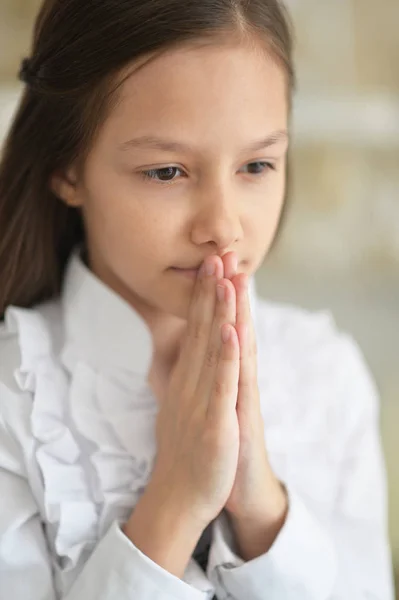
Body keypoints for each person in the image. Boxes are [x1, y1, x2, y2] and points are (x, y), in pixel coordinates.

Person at [0, 0, 394, 598]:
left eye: (257, 165)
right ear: (67, 168)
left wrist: (259, 506)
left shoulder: (328, 376)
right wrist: (175, 502)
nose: (224, 226)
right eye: (166, 172)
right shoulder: (14, 397)